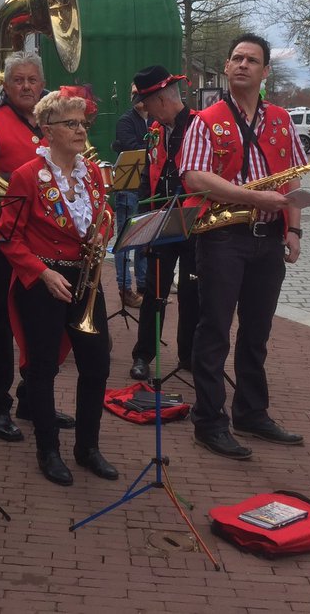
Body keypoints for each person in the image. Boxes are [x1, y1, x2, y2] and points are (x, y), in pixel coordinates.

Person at [179, 33, 307, 461]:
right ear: (226, 66)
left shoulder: (281, 120)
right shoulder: (205, 120)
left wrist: (294, 230)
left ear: (265, 71)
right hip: (222, 238)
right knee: (215, 331)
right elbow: (194, 177)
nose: (241, 65)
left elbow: (292, 177)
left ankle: (251, 412)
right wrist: (253, 197)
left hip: (268, 240)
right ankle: (209, 422)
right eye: (235, 58)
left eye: (251, 60)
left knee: (257, 333)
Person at [0, 87, 117, 486]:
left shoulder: (93, 173)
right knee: (43, 367)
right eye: (71, 123)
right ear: (47, 130)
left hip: (85, 280)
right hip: (43, 282)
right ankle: (48, 450)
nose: (81, 130)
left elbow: (103, 214)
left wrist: (103, 230)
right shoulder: (26, 176)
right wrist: (42, 273)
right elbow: (8, 236)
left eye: (83, 123)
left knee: (97, 365)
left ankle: (88, 447)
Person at [0, 50, 75, 444]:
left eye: (33, 80)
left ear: (42, 84)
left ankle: (34, 400)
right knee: (1, 319)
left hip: (51, 241)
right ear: (6, 85)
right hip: (6, 237)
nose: (26, 86)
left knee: (44, 323)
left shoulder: (55, 121)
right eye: (18, 80)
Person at [126, 66, 201, 382]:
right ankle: (143, 355)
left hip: (195, 223)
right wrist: (144, 221)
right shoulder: (155, 130)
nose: (146, 110)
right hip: (161, 222)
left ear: (160, 100)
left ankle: (189, 356)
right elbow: (148, 176)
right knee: (154, 292)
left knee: (191, 293)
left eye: (147, 103)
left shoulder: (199, 125)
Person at [111, 91, 149, 309]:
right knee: (125, 240)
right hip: (128, 188)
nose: (139, 98)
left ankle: (143, 285)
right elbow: (132, 148)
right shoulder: (126, 121)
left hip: (145, 188)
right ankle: (124, 288)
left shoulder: (153, 120)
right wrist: (154, 149)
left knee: (144, 237)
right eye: (135, 94)